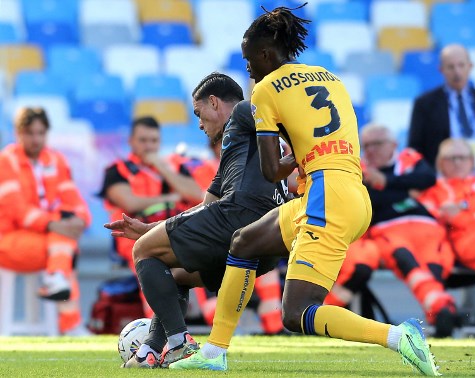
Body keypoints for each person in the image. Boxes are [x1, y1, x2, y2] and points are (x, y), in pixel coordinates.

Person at [171, 6, 440, 376]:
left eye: (250, 61)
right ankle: (215, 352)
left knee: (296, 313)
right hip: (349, 192)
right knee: (243, 242)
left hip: (324, 197)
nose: (248, 70)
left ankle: (397, 336)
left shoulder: (264, 90)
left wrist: (291, 156)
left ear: (266, 55)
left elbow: (269, 170)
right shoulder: (331, 77)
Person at [104, 72, 288, 368]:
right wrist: (152, 229)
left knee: (143, 251)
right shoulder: (241, 149)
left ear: (214, 102)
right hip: (267, 239)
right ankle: (151, 348)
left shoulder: (243, 114)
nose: (199, 123)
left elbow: (260, 103)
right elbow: (207, 205)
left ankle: (179, 344)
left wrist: (149, 238)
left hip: (240, 215)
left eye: (199, 113)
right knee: (174, 275)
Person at [326, 124, 457, 337]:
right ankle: (441, 308)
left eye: (377, 144)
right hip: (388, 230)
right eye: (366, 145)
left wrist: (387, 182)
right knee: (406, 260)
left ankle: (440, 314)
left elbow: (427, 178)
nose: (371, 150)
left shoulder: (408, 159)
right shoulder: (357, 168)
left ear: (393, 145)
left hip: (428, 228)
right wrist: (405, 192)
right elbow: (369, 202)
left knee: (433, 267)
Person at [99, 116, 209, 316]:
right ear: (131, 141)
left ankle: (216, 335)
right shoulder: (117, 170)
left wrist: (161, 168)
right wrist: (171, 196)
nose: (149, 146)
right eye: (143, 140)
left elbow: (196, 194)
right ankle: (159, 333)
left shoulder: (172, 167)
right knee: (151, 269)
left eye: (154, 140)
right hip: (132, 236)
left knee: (201, 262)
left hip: (174, 231)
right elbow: (129, 202)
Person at [0, 107, 91, 335]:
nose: (36, 139)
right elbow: (17, 211)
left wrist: (80, 220)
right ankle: (70, 323)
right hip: (7, 240)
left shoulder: (56, 160)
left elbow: (73, 199)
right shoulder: (6, 161)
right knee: (64, 246)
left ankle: (56, 279)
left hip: (45, 238)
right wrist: (54, 224)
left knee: (64, 240)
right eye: (30, 133)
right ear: (18, 132)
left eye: (41, 133)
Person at [419, 138, 475, 334]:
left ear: (471, 160)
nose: (457, 162)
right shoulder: (434, 188)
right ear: (440, 162)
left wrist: (463, 209)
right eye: (451, 158)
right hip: (466, 247)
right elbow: (436, 215)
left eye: (462, 157)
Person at [408, 43, 475, 173]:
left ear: (470, 66)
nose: (457, 72)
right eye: (450, 67)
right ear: (441, 69)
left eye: (461, 65)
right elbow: (415, 147)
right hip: (443, 179)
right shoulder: (425, 103)